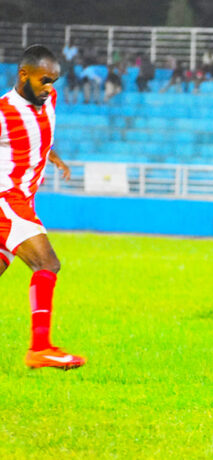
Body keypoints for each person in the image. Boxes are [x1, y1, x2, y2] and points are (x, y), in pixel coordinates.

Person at [0, 45, 85, 369]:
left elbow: (38, 137)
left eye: (54, 81)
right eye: (44, 80)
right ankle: (40, 348)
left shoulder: (48, 100)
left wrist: (54, 157)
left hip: (22, 200)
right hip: (6, 199)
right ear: (23, 75)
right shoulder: (4, 112)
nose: (50, 87)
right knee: (47, 263)